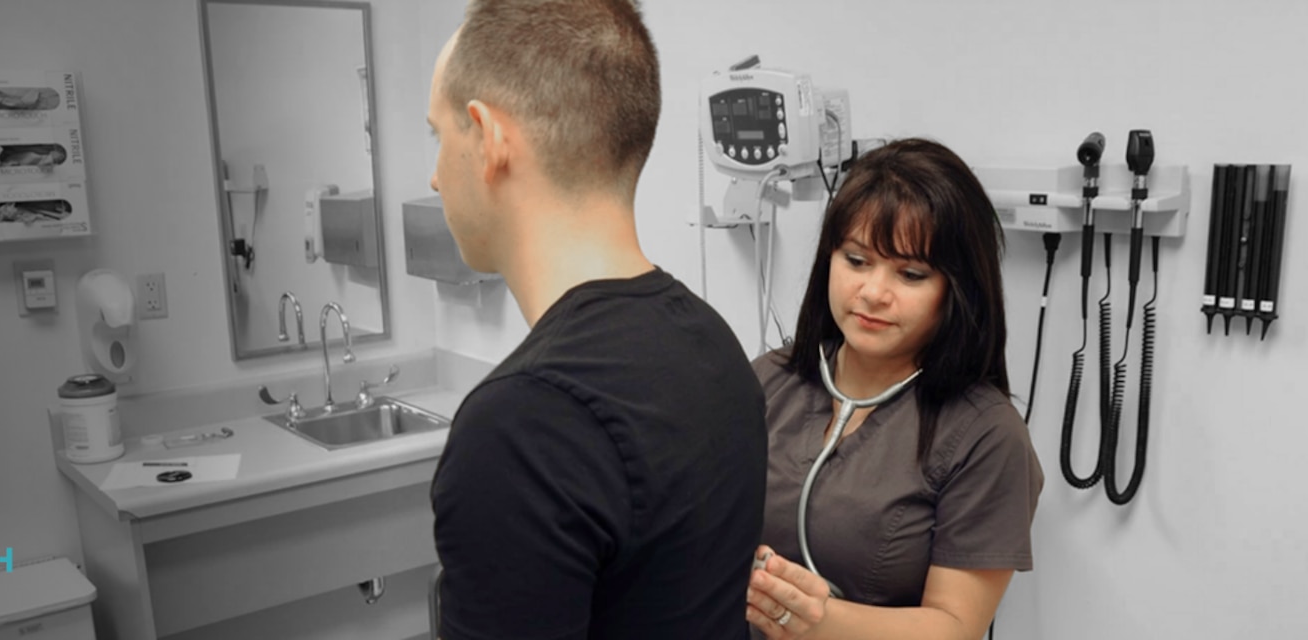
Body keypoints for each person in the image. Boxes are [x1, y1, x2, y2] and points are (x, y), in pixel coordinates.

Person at [425, 1, 768, 638]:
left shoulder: (522, 428)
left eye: (437, 136)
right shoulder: (713, 344)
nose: (435, 176)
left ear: (488, 137)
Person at [743, 139, 1045, 639]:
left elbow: (955, 627)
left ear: (957, 290)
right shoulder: (769, 380)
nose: (874, 293)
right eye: (856, 260)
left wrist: (820, 621)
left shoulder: (986, 436)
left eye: (910, 273)